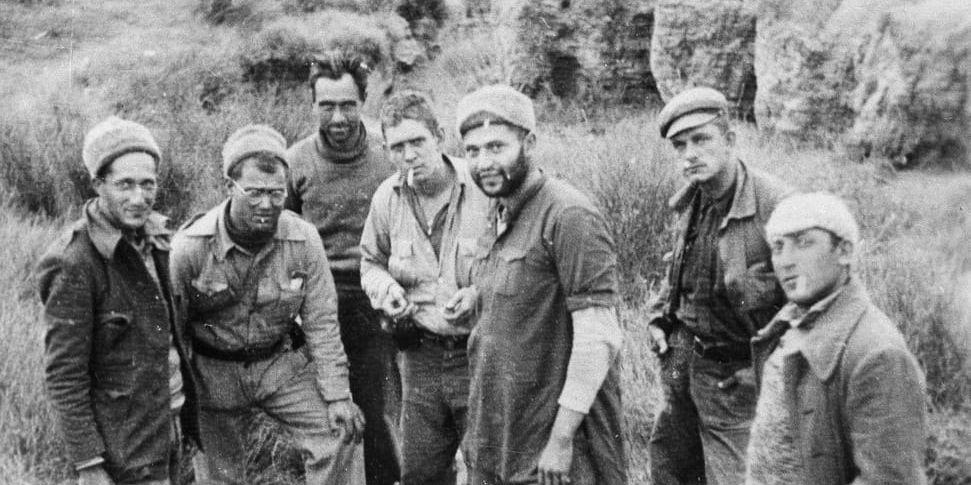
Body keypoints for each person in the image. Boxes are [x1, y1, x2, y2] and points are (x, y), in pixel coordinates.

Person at [170, 125, 365, 484]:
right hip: (214, 372)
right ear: (230, 187)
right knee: (218, 474)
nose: (266, 205)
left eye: (276, 193)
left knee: (340, 430)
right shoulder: (189, 248)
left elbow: (321, 320)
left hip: (279, 364)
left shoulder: (303, 239)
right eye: (255, 192)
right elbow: (172, 332)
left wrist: (338, 395)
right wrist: (181, 400)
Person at [456, 84, 627, 485]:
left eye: (496, 147)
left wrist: (562, 440)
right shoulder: (499, 211)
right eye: (473, 151)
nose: (484, 162)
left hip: (549, 444)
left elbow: (598, 336)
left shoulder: (569, 215)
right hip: (499, 435)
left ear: (529, 142)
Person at [37, 116, 199, 485]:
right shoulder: (73, 262)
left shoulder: (159, 239)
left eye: (148, 184)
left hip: (171, 428)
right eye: (125, 184)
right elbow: (64, 375)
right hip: (124, 451)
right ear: (98, 184)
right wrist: (88, 465)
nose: (138, 198)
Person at [646, 87, 793, 484]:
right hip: (681, 362)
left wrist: (764, 372)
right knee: (670, 469)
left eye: (701, 140)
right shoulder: (693, 200)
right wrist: (660, 318)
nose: (689, 154)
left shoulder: (776, 206)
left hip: (735, 378)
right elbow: (680, 271)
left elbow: (809, 304)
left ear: (730, 141)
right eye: (680, 146)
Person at [747, 192, 927, 484]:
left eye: (803, 242)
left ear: (844, 251)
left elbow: (889, 479)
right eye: (778, 247)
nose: (786, 261)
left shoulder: (877, 353)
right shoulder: (788, 325)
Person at [360, 91, 489, 485]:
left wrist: (478, 294)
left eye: (418, 141)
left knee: (488, 466)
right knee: (420, 472)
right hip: (420, 357)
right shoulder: (387, 198)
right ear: (387, 151)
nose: (410, 155)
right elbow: (370, 262)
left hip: (480, 353)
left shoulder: (484, 188)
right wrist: (387, 291)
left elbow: (516, 264)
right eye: (398, 147)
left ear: (440, 136)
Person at [286, 52, 400, 485]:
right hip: (316, 307)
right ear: (312, 105)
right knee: (331, 419)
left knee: (379, 413)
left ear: (363, 102)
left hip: (375, 304)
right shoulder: (295, 162)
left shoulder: (387, 159)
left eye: (348, 105)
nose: (337, 116)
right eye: (326, 105)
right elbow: (284, 235)